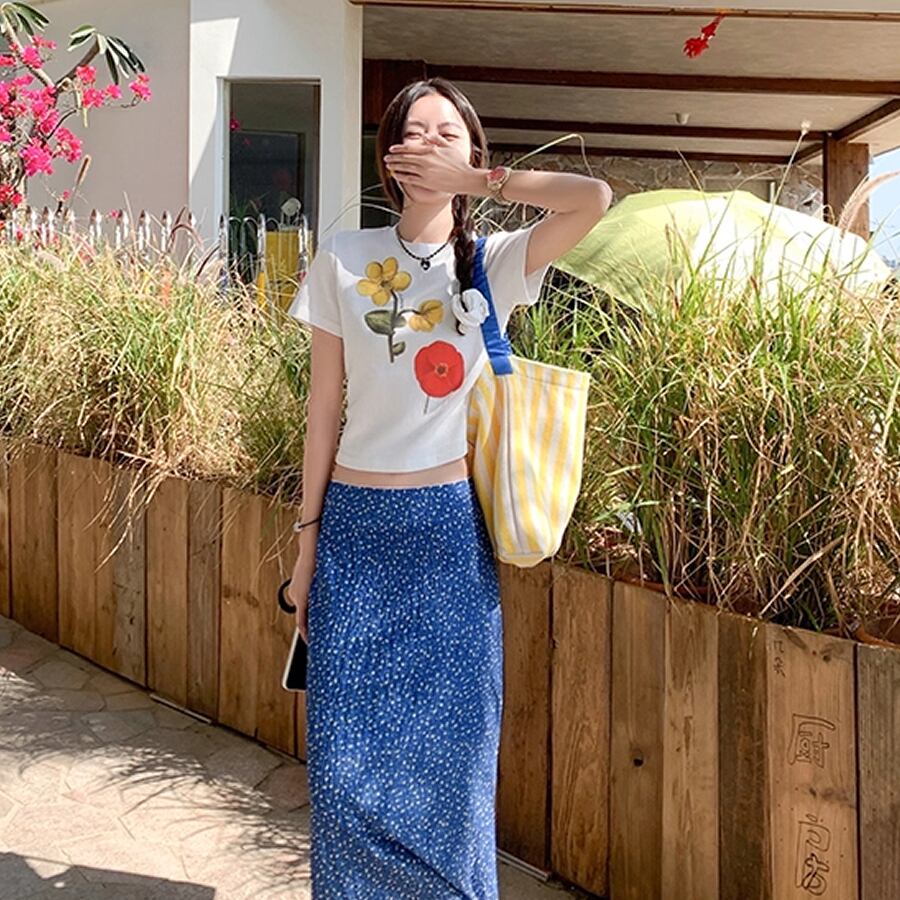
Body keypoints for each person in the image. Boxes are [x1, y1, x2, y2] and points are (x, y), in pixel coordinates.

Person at [286, 76, 611, 899]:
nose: (428, 143)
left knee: (452, 775)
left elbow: (592, 198)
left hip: (445, 536)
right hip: (354, 531)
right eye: (414, 131)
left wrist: (476, 184)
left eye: (447, 133)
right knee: (344, 776)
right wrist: (306, 547)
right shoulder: (343, 257)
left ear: (471, 152)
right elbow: (323, 410)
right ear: (389, 155)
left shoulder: (494, 261)